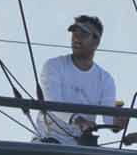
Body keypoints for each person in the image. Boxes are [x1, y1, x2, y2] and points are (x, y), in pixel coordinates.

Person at [33, 14, 118, 146]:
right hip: (48, 143)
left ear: (96, 41)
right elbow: (53, 103)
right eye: (74, 34)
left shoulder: (106, 79)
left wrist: (118, 123)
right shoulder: (53, 66)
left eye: (83, 34)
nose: (76, 38)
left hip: (81, 149)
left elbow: (109, 121)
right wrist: (78, 120)